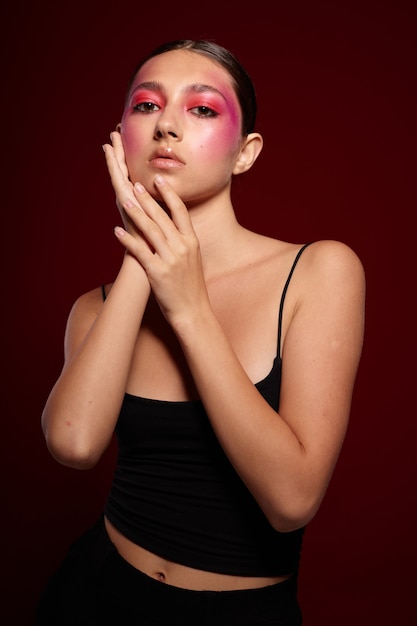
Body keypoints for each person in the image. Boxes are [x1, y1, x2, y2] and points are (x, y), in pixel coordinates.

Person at [36, 39, 365, 625]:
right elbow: (74, 444)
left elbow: (292, 501)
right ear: (121, 137)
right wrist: (145, 249)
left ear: (246, 152)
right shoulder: (98, 306)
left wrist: (188, 307)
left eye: (202, 109)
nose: (166, 125)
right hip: (92, 595)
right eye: (145, 105)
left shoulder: (319, 271)